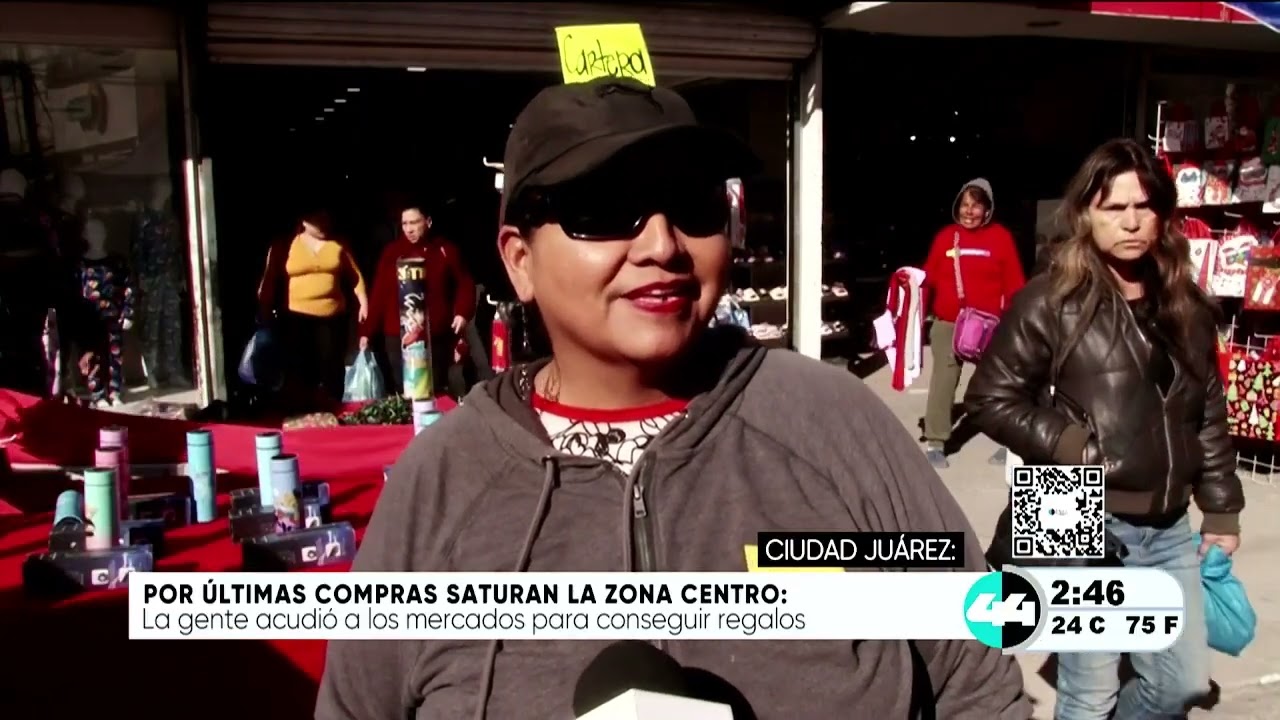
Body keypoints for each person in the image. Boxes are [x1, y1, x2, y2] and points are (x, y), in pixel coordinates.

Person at [317, 77, 1029, 720]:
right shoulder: (444, 479)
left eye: (692, 205)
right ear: (519, 260)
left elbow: (977, 678)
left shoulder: (829, 422)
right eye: (606, 208)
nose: (662, 244)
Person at [964, 138, 1243, 719]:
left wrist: (1221, 507)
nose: (1131, 221)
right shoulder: (1050, 300)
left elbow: (1208, 409)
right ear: (1085, 214)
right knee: (1090, 692)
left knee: (1182, 685)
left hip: (1168, 524)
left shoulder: (1185, 302)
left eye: (1144, 206)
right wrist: (1071, 444)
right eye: (1114, 208)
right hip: (1068, 509)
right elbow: (989, 397)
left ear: (1162, 213)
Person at [921, 179, 1025, 469]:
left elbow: (1015, 284)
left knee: (1002, 383)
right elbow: (929, 276)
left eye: (976, 205)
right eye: (965, 204)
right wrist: (910, 282)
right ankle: (936, 442)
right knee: (943, 381)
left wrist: (1014, 321)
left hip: (989, 328)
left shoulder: (1001, 238)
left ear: (987, 210)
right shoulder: (946, 237)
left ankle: (1012, 442)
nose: (969, 211)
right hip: (948, 324)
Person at [0, 168, 100, 396]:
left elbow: (66, 296)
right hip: (30, 357)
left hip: (27, 355)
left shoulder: (41, 231)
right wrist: (88, 340)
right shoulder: (43, 229)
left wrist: (88, 340)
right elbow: (66, 295)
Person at [358, 203, 476, 396]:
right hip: (398, 336)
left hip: (434, 335)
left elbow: (465, 284)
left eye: (414, 222)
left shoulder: (444, 250)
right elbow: (379, 294)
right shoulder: (392, 253)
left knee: (433, 390)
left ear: (428, 222)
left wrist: (462, 313)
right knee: (405, 390)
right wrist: (367, 332)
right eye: (405, 224)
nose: (409, 229)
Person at [256, 209, 368, 407]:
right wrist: (265, 308)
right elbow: (270, 278)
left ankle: (333, 407)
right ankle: (306, 410)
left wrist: (363, 301)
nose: (323, 224)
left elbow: (355, 275)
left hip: (332, 316)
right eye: (317, 221)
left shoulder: (338, 244)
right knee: (302, 368)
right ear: (304, 222)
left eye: (326, 219)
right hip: (296, 317)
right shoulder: (286, 245)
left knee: (331, 366)